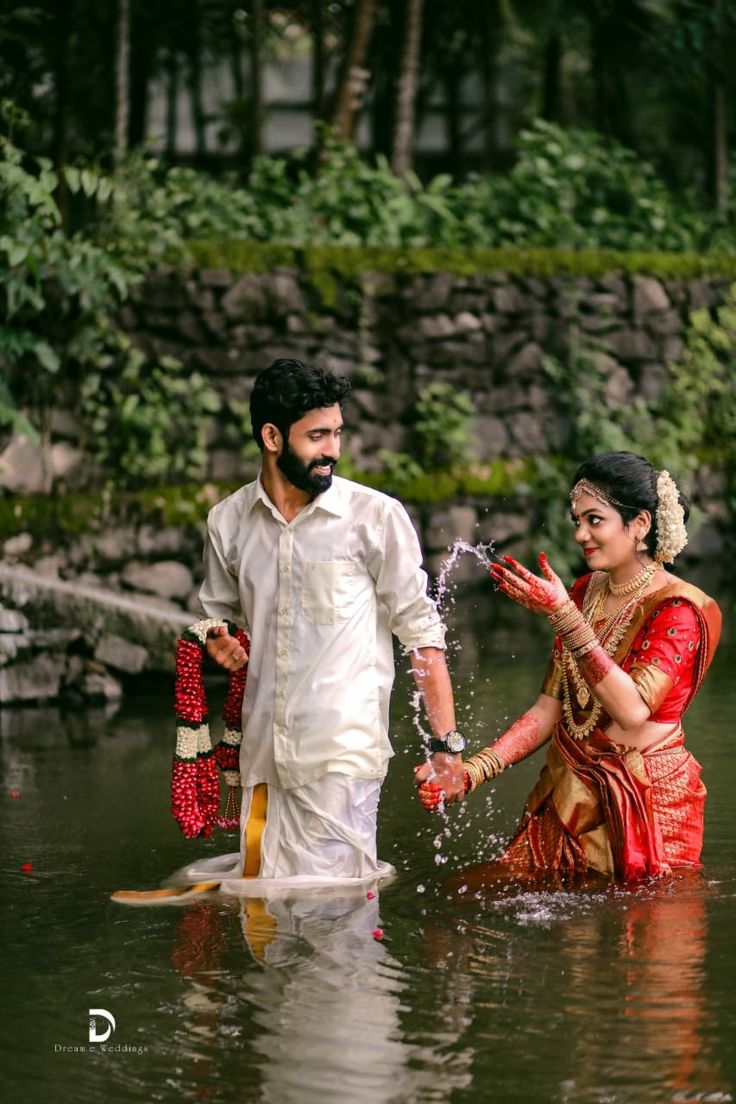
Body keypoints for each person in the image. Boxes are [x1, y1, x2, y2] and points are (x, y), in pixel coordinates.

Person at [177, 357, 462, 892]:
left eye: (337, 433)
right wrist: (218, 640)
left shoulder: (374, 518)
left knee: (335, 919)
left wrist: (448, 746)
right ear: (271, 436)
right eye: (317, 435)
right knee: (265, 925)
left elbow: (421, 635)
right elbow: (218, 619)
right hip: (262, 753)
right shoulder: (228, 521)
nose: (332, 448)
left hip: (341, 754)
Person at [415, 451, 722, 882]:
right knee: (464, 892)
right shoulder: (584, 592)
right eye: (577, 520)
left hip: (648, 801)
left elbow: (633, 709)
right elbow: (549, 708)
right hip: (569, 787)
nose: (581, 534)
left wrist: (564, 616)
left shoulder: (679, 608)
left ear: (640, 525)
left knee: (647, 932)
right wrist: (473, 772)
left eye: (595, 520)